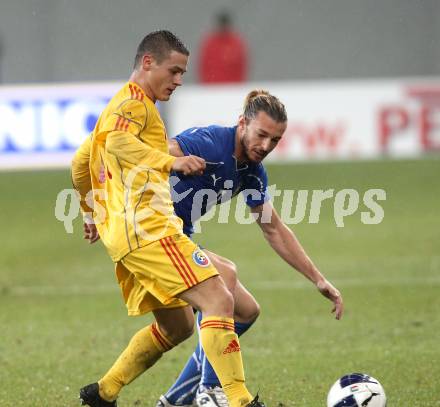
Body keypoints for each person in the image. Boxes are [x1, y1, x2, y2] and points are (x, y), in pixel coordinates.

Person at [71, 30, 264, 407]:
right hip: (149, 230)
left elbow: (81, 164)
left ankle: (103, 393)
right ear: (148, 63)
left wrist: (90, 211)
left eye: (182, 73)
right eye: (174, 71)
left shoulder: (121, 106)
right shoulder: (132, 105)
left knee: (177, 326)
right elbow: (117, 144)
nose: (178, 80)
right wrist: (170, 160)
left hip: (127, 237)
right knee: (217, 298)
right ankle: (239, 400)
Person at [156, 90, 344, 407]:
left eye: (275, 140)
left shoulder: (251, 171)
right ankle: (211, 392)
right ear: (242, 123)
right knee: (225, 276)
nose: (266, 146)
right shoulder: (211, 142)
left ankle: (175, 401)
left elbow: (273, 228)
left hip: (178, 238)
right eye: (261, 135)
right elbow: (150, 152)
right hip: (150, 235)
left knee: (246, 310)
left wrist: (317, 278)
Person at [198, 11, 248, 84]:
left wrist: (239, 84)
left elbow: (242, 66)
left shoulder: (236, 43)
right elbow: (203, 65)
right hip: (214, 87)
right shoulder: (210, 43)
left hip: (232, 87)